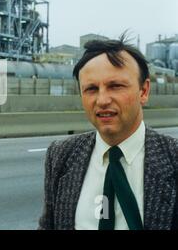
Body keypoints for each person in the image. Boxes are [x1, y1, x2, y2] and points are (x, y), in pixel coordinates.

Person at [38, 35, 178, 230]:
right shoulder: (60, 155)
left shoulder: (173, 158)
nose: (102, 100)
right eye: (91, 89)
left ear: (144, 91)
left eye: (115, 86)